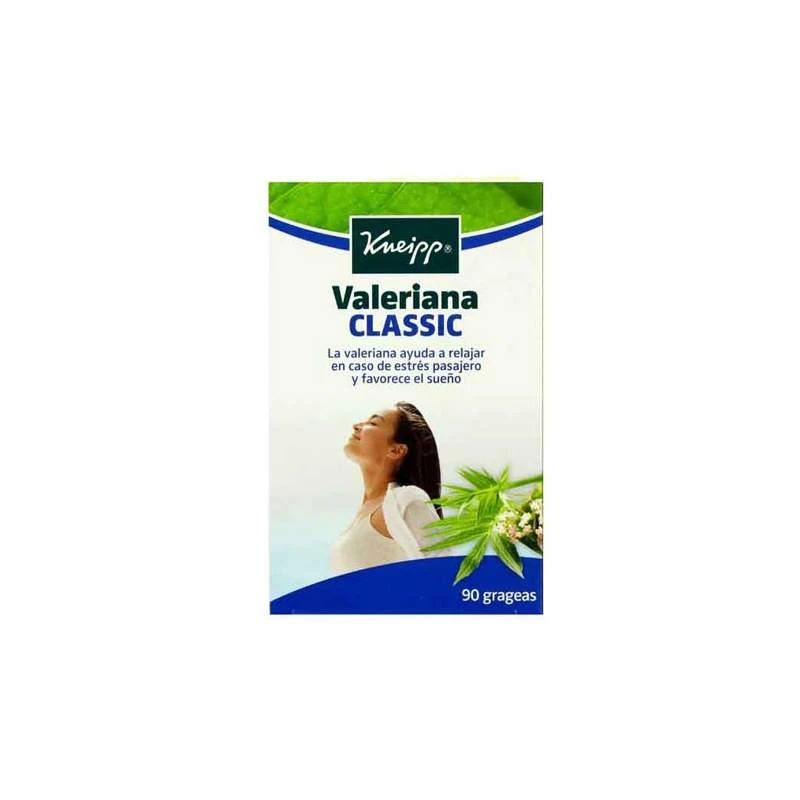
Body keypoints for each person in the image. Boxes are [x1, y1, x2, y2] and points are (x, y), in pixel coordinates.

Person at [330, 401, 447, 576]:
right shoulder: (363, 515)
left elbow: (443, 570)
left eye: (373, 423)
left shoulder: (406, 499)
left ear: (396, 450)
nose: (356, 425)